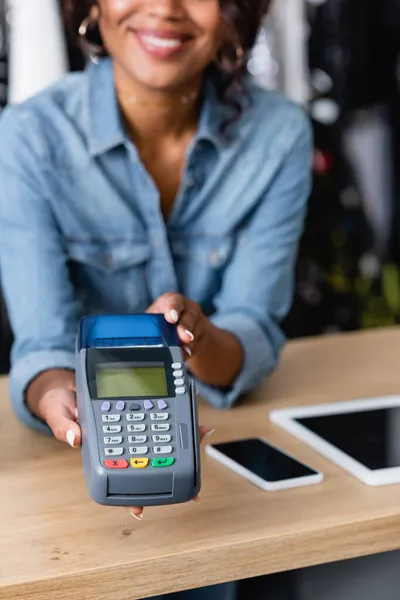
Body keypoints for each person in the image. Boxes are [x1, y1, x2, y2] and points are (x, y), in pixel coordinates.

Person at [0, 1, 312, 597]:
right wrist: (57, 397)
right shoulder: (29, 137)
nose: (165, 7)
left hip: (233, 487)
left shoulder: (279, 135)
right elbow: (42, 344)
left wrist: (196, 334)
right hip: (66, 515)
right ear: (91, 6)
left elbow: (253, 328)